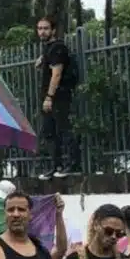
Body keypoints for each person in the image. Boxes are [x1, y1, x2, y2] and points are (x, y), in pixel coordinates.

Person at [34, 15, 77, 175]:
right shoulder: (49, 49)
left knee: (64, 130)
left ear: (53, 30)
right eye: (39, 29)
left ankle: (72, 165)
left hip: (59, 96)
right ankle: (56, 166)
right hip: (50, 97)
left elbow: (56, 74)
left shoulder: (58, 48)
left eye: (45, 28)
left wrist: (49, 97)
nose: (42, 32)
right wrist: (42, 59)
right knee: (49, 131)